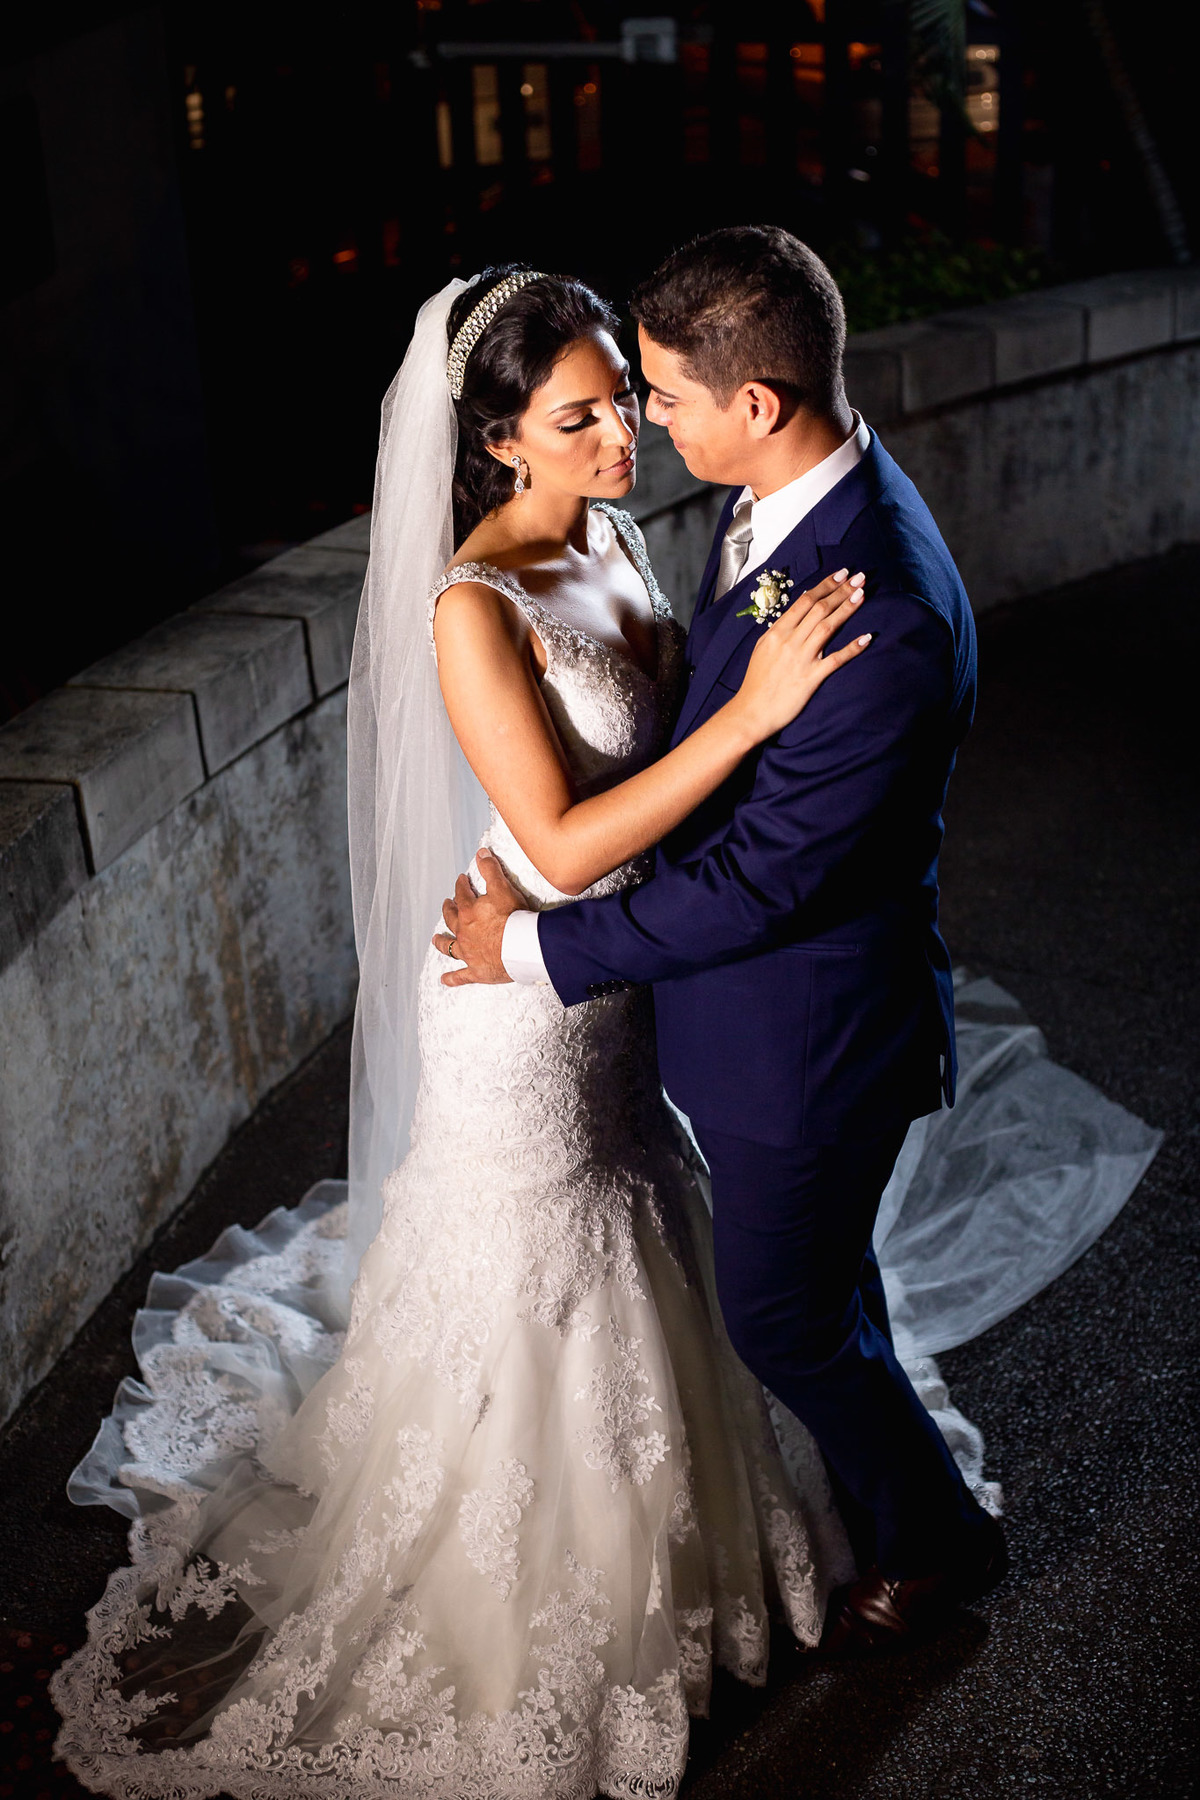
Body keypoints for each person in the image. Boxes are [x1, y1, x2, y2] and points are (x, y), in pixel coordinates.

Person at [51, 265, 877, 1800]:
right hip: (526, 1007)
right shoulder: (472, 607)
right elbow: (557, 845)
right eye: (581, 419)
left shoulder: (614, 537)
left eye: (624, 401)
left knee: (644, 1214)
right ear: (498, 442)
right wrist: (754, 716)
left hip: (624, 980)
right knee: (545, 1259)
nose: (625, 435)